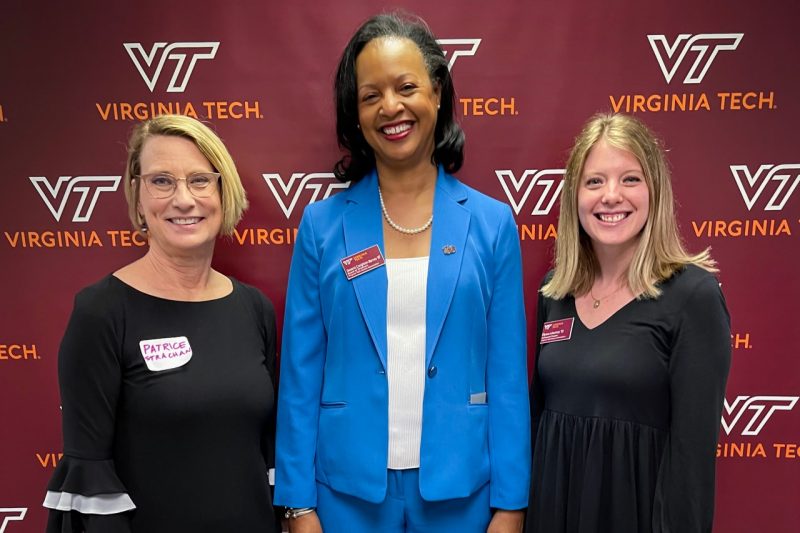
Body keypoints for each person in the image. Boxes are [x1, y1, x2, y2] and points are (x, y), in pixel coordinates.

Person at [274, 12, 530, 533]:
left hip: (464, 492)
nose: (391, 107)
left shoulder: (492, 223)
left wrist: (511, 505)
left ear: (437, 93)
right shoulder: (323, 227)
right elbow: (300, 378)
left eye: (406, 87)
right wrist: (297, 505)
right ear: (357, 114)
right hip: (345, 493)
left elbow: (506, 378)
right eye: (371, 96)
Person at [43, 114, 278, 532]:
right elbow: (91, 480)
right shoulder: (101, 312)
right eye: (162, 181)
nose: (184, 200)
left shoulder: (254, 309)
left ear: (223, 191)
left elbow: (270, 454)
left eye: (200, 180)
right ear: (137, 196)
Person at [527, 113, 731, 533]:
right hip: (552, 510)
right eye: (594, 181)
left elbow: (691, 461)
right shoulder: (554, 293)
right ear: (575, 197)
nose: (611, 196)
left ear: (655, 190)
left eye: (630, 179)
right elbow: (537, 421)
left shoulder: (693, 296)